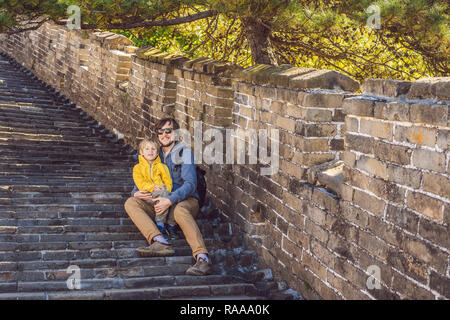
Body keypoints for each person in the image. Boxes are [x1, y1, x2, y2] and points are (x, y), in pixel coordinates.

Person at [124, 118, 211, 276]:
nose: (164, 135)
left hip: (185, 201)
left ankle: (202, 258)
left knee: (179, 211)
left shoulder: (184, 152)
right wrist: (135, 192)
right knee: (131, 202)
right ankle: (159, 241)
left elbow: (190, 184)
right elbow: (143, 176)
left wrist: (170, 200)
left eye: (168, 131)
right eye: (160, 132)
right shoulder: (154, 153)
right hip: (159, 202)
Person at [132, 138, 177, 240]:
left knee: (173, 196)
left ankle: (171, 224)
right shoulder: (137, 168)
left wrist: (167, 191)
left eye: (153, 149)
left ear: (157, 152)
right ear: (141, 152)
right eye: (147, 149)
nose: (150, 151)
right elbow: (140, 183)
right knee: (164, 194)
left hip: (163, 194)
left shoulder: (162, 166)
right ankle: (160, 224)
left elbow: (168, 181)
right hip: (148, 195)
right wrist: (154, 188)